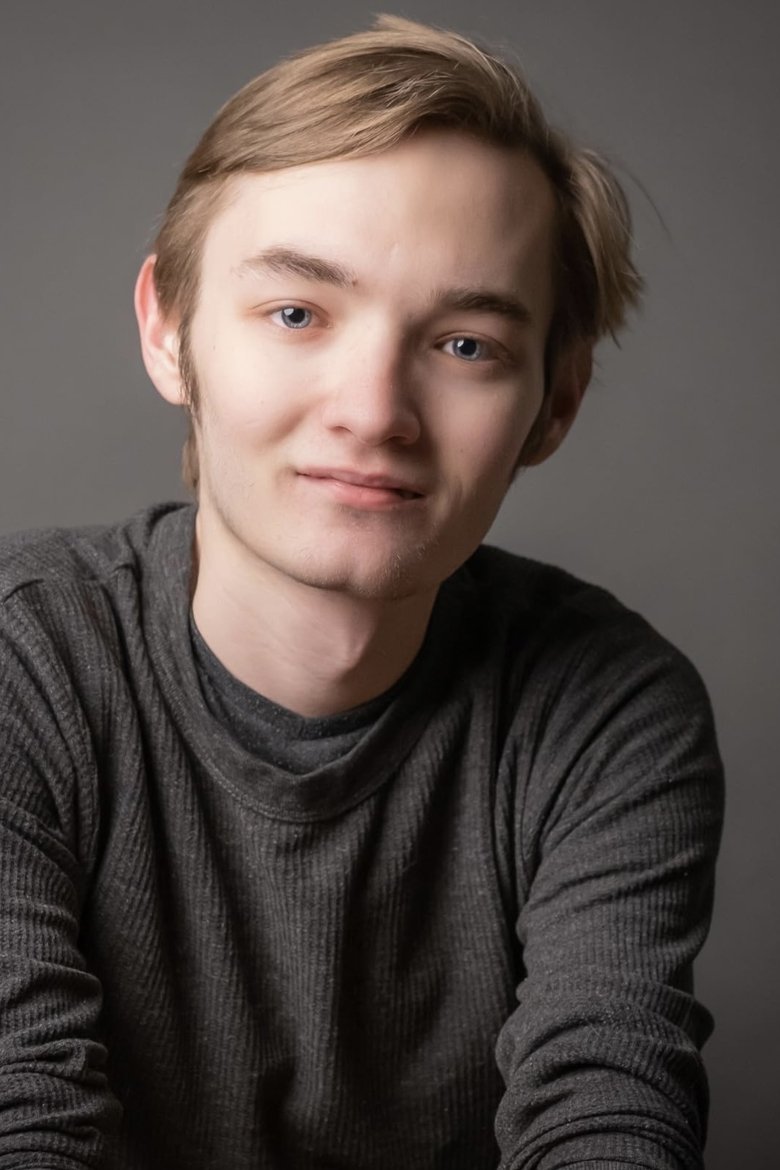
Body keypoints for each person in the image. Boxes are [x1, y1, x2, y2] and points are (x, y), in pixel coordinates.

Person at [0, 15, 723, 1170]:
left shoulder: (605, 710)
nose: (374, 411)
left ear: (555, 403)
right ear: (169, 329)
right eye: (296, 314)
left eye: (467, 345)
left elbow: (610, 1115)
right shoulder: (21, 666)